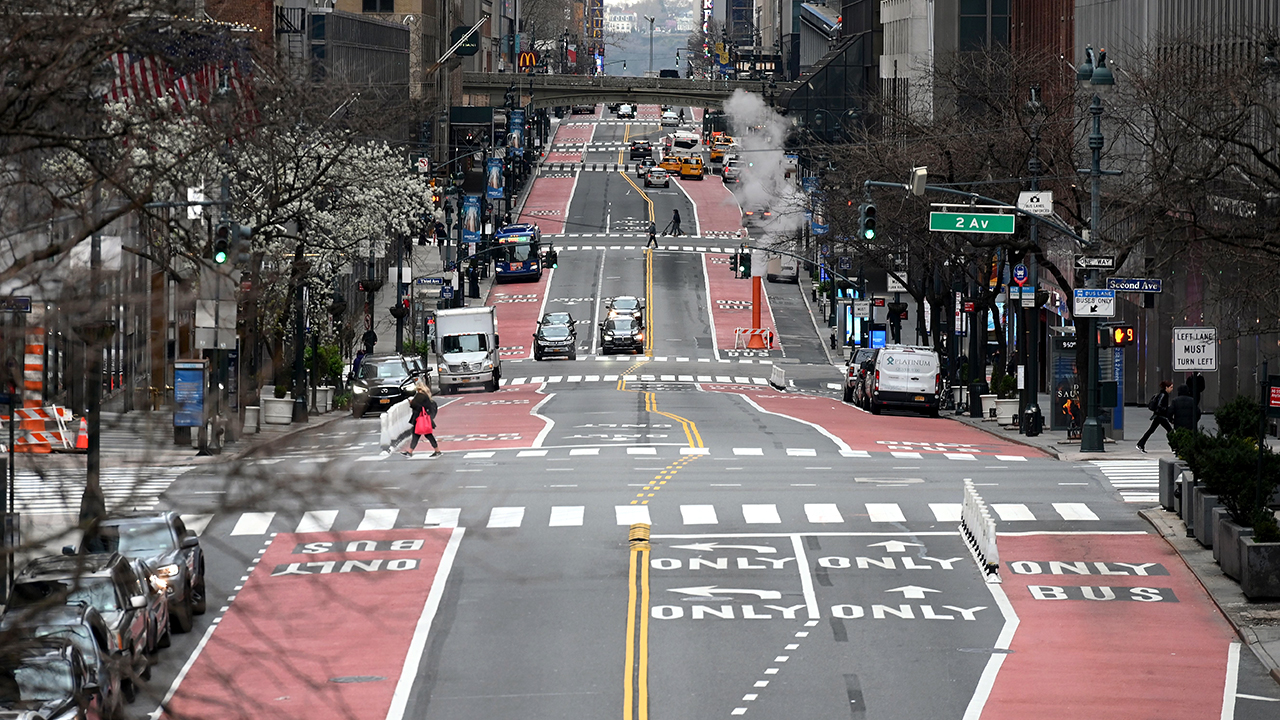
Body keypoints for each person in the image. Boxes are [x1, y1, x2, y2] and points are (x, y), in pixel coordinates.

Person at [402, 381, 441, 457]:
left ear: (418, 388)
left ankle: (410, 452)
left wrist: (411, 402)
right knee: (428, 435)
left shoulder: (419, 395)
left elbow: (416, 406)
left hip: (419, 419)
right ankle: (437, 450)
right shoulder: (426, 395)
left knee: (416, 435)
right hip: (425, 418)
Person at [1136, 380, 1174, 453]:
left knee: (1151, 430)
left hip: (1158, 416)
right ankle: (1174, 447)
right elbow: (1160, 406)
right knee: (1170, 431)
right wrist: (1166, 410)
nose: (1172, 389)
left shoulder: (1162, 394)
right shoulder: (1164, 395)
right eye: (1171, 387)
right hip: (1161, 416)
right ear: (1166, 387)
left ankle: (1141, 444)